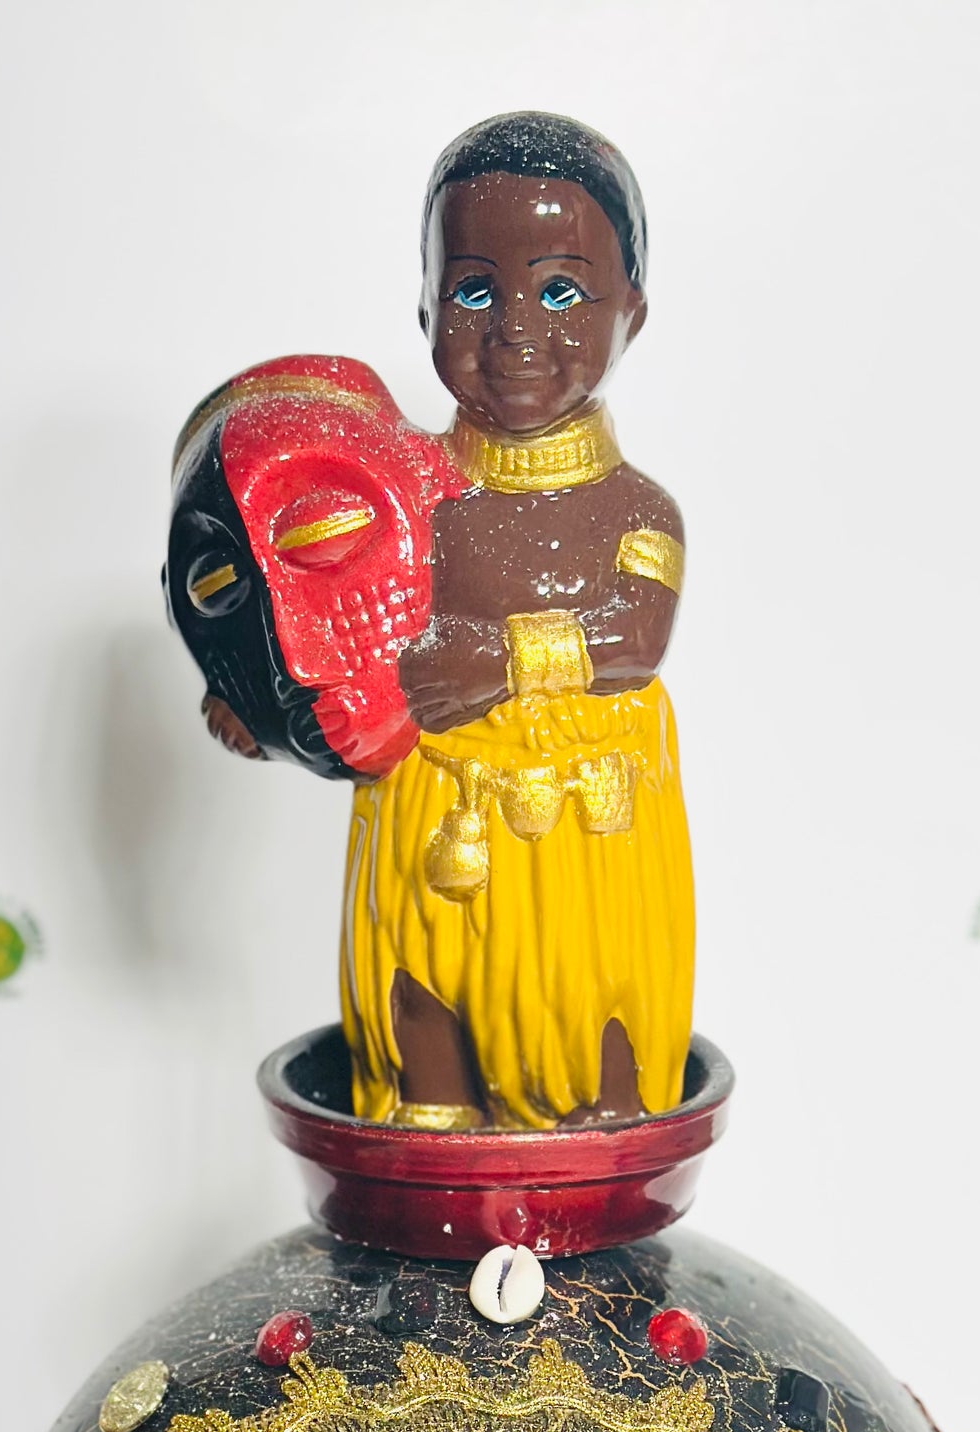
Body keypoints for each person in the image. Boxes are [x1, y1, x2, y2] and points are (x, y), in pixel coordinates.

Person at [206, 112, 693, 1132]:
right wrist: (260, 703)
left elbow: (635, 641)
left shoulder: (637, 514)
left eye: (560, 292)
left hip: (581, 835)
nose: (514, 328)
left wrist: (497, 663)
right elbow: (320, 622)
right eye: (474, 291)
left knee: (589, 1053)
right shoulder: (394, 499)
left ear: (633, 312)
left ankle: (586, 1185)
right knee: (422, 1048)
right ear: (425, 306)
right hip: (424, 824)